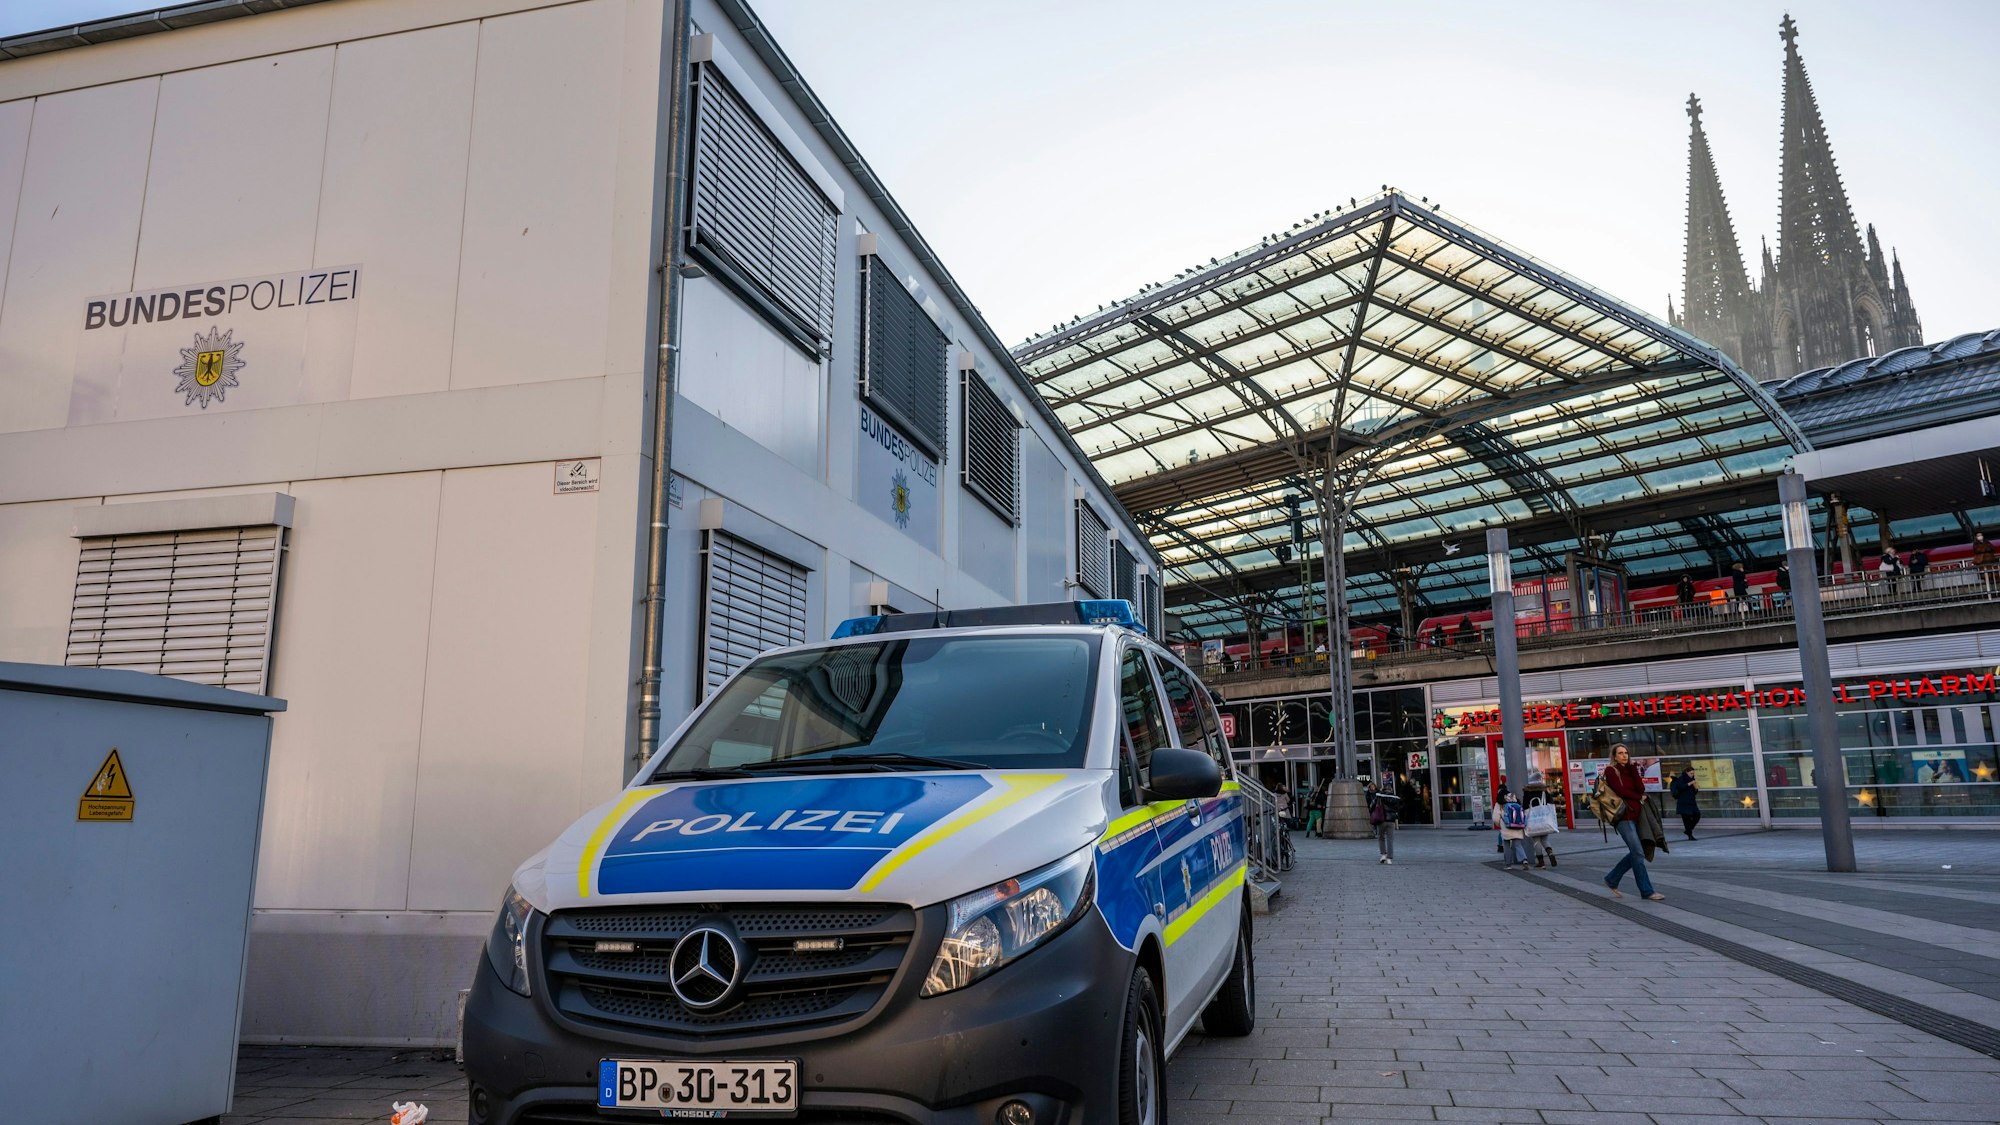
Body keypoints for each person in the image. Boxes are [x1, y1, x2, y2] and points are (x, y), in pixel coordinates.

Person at [1601, 745, 1664, 901]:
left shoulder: (1631, 769)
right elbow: (1620, 791)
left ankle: (1612, 878)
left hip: (1638, 816)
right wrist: (1637, 797)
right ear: (1614, 756)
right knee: (1637, 852)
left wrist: (1634, 770)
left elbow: (1641, 788)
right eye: (1620, 753)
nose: (1624, 756)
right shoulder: (1611, 771)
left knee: (1638, 851)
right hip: (1623, 817)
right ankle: (1647, 891)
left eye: (1626, 753)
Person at [1367, 776, 1400, 864]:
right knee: (1390, 839)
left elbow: (1371, 806)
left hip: (1381, 820)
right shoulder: (1395, 798)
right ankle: (1389, 858)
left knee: (1381, 838)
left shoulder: (1379, 796)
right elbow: (1398, 808)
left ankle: (1383, 855)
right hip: (1391, 821)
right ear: (1391, 789)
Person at [1494, 788, 1530, 869]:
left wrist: (1500, 824)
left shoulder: (1499, 803)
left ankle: (1508, 865)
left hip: (1506, 827)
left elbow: (1495, 818)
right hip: (1518, 826)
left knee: (1506, 845)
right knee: (1518, 845)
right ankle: (1524, 860)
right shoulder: (1515, 800)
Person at [1670, 766, 1701, 840]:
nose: (1692, 775)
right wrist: (1689, 783)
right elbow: (1680, 787)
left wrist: (1696, 789)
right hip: (1683, 802)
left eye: (1693, 773)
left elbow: (1694, 791)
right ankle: (1690, 835)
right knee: (1686, 819)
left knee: (1697, 815)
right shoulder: (1681, 779)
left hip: (1691, 801)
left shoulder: (1692, 779)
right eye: (1691, 773)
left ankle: (1688, 830)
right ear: (1687, 772)